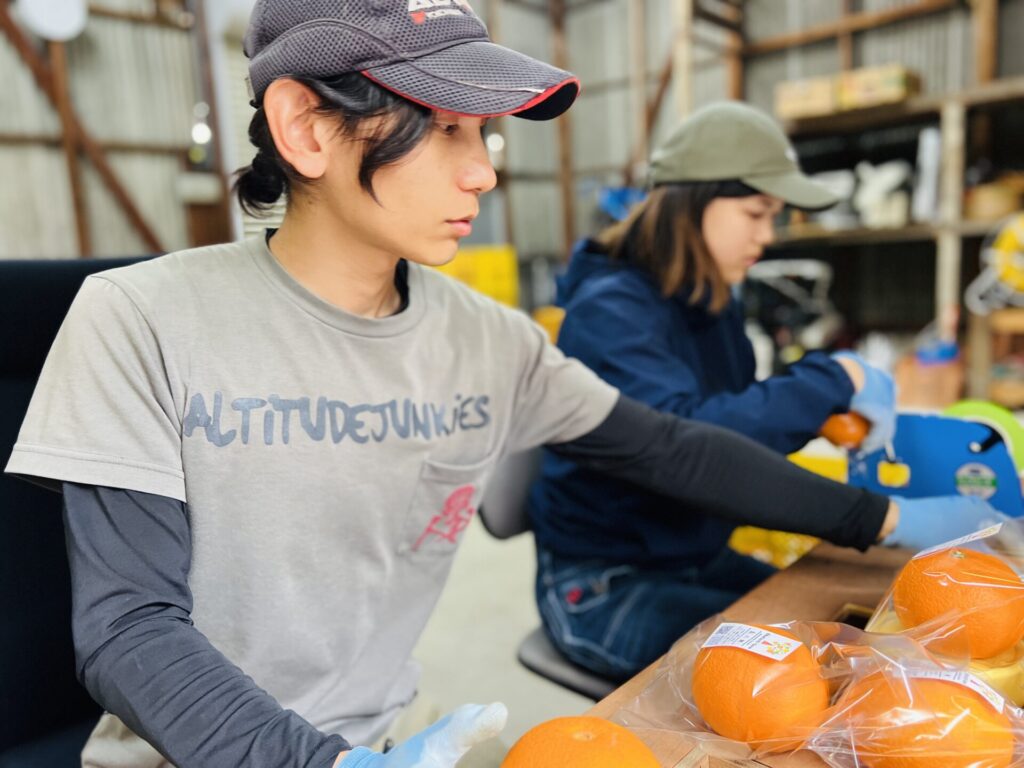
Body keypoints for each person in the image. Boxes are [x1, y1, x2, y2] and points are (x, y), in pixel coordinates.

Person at [4, 6, 996, 767]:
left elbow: (666, 445)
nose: (482, 174)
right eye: (443, 131)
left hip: (379, 740)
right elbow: (127, 629)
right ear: (305, 127)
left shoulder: (488, 339)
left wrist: (880, 518)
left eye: (487, 136)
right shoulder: (141, 320)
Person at [527, 101, 995, 683]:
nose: (766, 236)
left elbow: (734, 420)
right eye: (756, 213)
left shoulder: (712, 297)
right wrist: (832, 383)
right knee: (808, 684)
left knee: (864, 637)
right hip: (607, 582)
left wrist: (814, 412)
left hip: (697, 557)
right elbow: (692, 448)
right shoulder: (608, 313)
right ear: (689, 202)